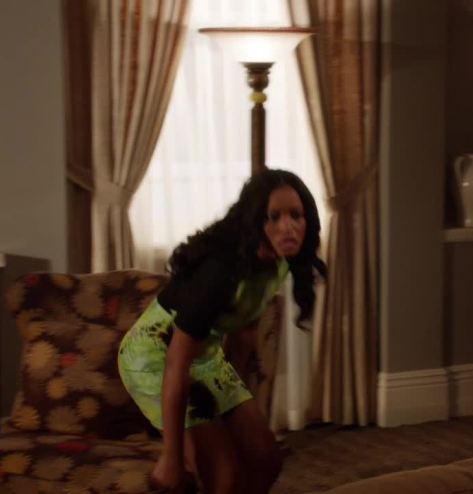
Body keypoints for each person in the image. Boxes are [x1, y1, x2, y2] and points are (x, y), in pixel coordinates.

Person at [118, 169, 326, 493]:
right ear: (255, 221)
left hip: (205, 355)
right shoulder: (220, 271)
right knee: (223, 475)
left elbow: (245, 329)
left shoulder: (280, 259)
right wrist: (172, 456)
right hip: (154, 357)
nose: (288, 227)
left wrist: (234, 408)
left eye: (296, 215)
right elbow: (176, 363)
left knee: (266, 459)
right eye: (274, 217)